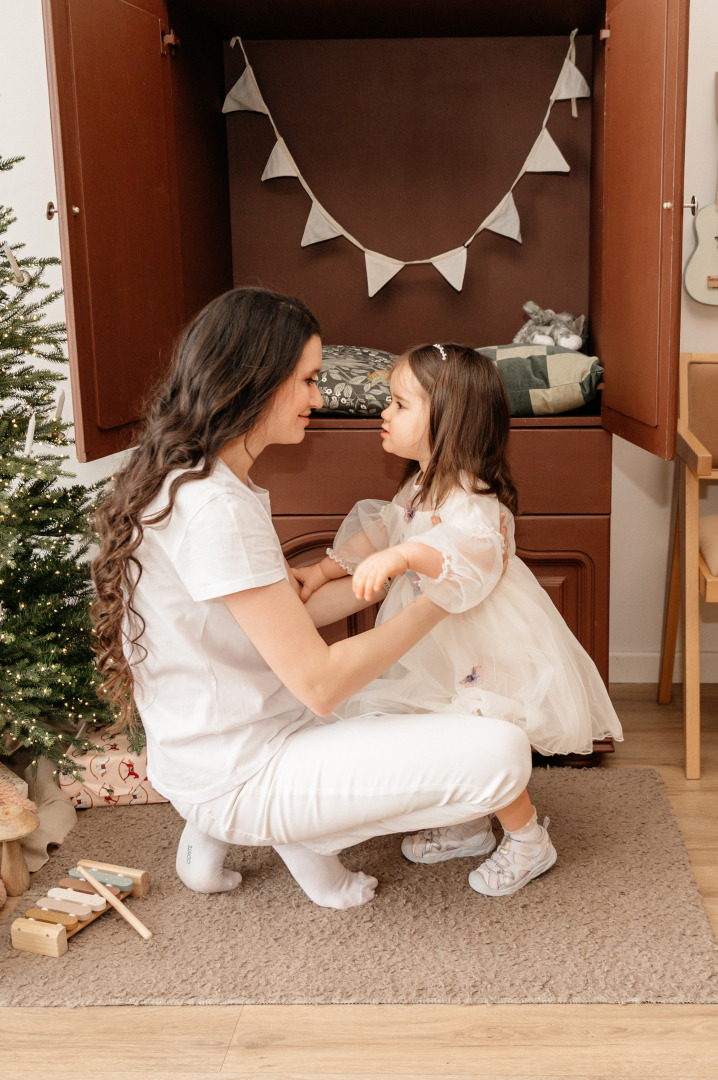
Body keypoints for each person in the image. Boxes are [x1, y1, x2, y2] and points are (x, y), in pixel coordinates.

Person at [90, 290, 550, 910]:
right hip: (243, 764)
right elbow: (322, 685)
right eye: (308, 380)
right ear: (256, 381)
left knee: (402, 699)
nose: (320, 397)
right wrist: (442, 599)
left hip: (212, 747)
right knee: (501, 751)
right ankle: (237, 821)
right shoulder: (217, 507)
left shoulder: (200, 479)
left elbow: (291, 618)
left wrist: (322, 576)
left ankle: (217, 829)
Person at [296, 342, 623, 891]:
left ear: (448, 421)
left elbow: (465, 554)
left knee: (477, 733)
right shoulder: (420, 484)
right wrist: (322, 571)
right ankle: (467, 824)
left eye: (400, 404)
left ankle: (527, 840)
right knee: (440, 732)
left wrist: (404, 556)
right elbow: (380, 533)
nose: (384, 412)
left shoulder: (473, 497)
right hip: (433, 644)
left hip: (479, 646)